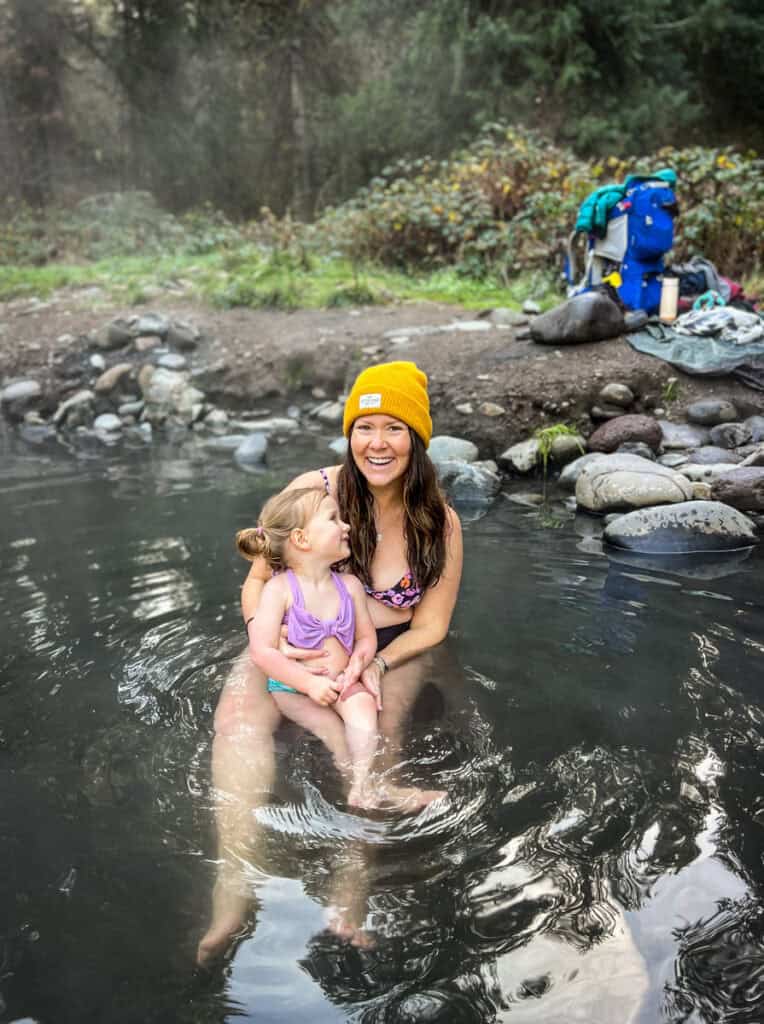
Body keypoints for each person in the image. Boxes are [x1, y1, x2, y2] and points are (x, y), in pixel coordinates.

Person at [198, 360, 463, 965]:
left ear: (416, 437)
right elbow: (256, 584)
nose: (377, 443)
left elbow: (433, 625)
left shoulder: (439, 523)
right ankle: (233, 884)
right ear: (349, 434)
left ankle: (349, 894)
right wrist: (274, 647)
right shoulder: (310, 495)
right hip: (289, 637)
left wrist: (375, 666)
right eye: (364, 427)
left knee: (380, 737)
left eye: (393, 428)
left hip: (390, 646)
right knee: (238, 721)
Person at [237, 486, 383, 809]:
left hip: (343, 680)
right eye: (334, 519)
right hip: (293, 687)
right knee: (332, 730)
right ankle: (347, 778)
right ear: (302, 539)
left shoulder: (350, 586)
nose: (346, 526)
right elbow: (262, 651)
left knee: (364, 711)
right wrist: (310, 683)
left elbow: (365, 637)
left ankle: (362, 783)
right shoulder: (279, 590)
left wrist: (358, 663)